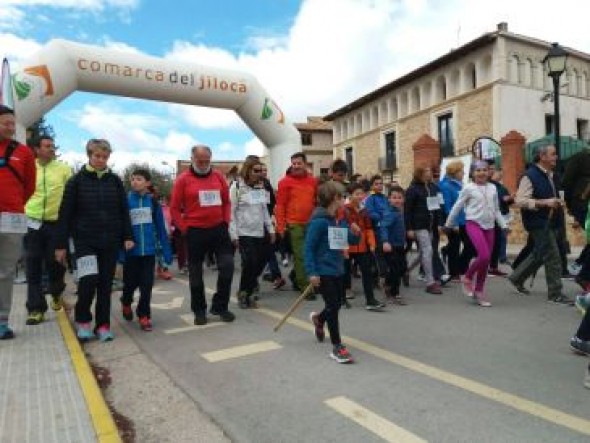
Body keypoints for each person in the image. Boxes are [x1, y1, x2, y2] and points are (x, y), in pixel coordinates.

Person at [55, 139, 134, 341]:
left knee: (106, 286)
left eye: (105, 157)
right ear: (89, 155)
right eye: (97, 156)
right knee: (88, 282)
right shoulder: (76, 181)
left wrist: (127, 236)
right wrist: (61, 245)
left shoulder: (115, 181)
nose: (101, 160)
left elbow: (124, 211)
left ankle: (103, 325)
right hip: (84, 242)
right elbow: (65, 214)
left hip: (109, 242)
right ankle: (83, 322)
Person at [170, 145, 235, 325]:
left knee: (227, 266)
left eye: (207, 160)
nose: (204, 164)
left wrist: (226, 221)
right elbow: (174, 208)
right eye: (200, 160)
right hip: (195, 231)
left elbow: (227, 202)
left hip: (218, 229)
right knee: (196, 273)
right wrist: (184, 228)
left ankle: (220, 306)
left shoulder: (218, 176)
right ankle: (199, 310)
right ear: (192, 159)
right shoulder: (183, 180)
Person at [508, 144, 572, 304]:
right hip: (538, 222)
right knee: (553, 257)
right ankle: (555, 294)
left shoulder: (551, 174)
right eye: (553, 154)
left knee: (540, 254)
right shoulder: (529, 176)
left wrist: (557, 202)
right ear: (542, 157)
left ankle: (516, 278)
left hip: (552, 220)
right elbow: (520, 200)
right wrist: (545, 203)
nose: (556, 157)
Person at [306, 181, 360, 364]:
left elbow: (349, 240)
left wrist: (356, 233)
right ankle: (337, 346)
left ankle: (319, 319)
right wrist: (312, 272)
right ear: (334, 198)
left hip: (338, 269)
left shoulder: (338, 219)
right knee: (333, 306)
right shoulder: (319, 222)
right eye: (342, 197)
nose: (344, 200)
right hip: (323, 272)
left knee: (335, 304)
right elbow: (309, 249)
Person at [446, 160, 508, 307]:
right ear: (473, 173)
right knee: (484, 255)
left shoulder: (493, 188)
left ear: (488, 172)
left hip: (490, 226)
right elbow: (457, 206)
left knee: (486, 262)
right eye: (478, 170)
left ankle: (479, 291)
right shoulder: (468, 188)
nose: (481, 173)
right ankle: (467, 277)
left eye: (484, 170)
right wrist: (449, 224)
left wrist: (504, 225)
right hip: (473, 223)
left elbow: (496, 210)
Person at [23, 136, 71, 325]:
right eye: (47, 146)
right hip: (32, 222)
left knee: (56, 265)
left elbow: (70, 198)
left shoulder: (64, 169)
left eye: (53, 146)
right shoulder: (29, 167)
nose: (52, 149)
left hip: (56, 224)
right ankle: (35, 309)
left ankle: (57, 293)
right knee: (32, 266)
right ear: (36, 149)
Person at [119, 169, 172, 331]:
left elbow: (161, 228)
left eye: (139, 179)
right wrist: (120, 253)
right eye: (133, 179)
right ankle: (126, 301)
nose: (135, 182)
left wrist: (166, 250)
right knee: (130, 284)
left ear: (147, 183)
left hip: (149, 252)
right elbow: (120, 228)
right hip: (131, 253)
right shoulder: (126, 201)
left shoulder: (153, 203)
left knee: (147, 285)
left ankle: (144, 315)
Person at [0, 105, 36, 339]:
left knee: (6, 271)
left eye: (13, 123)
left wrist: (12, 204)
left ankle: (2, 320)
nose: (12, 127)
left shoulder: (24, 152)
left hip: (12, 218)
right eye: (7, 123)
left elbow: (29, 187)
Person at [229, 158, 275, 308]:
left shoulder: (260, 187)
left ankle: (247, 290)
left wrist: (271, 229)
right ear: (247, 170)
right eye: (256, 170)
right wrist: (234, 235)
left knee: (259, 263)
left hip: (259, 232)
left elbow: (264, 210)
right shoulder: (236, 187)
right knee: (250, 263)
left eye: (260, 170)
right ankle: (244, 293)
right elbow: (231, 213)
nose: (259, 174)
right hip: (244, 233)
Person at [275, 152, 318, 295]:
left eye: (299, 163)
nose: (296, 166)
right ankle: (305, 287)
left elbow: (317, 202)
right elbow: (280, 205)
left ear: (305, 164)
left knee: (311, 254)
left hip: (311, 223)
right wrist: (280, 226)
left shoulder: (313, 181)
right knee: (301, 255)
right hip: (294, 224)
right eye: (294, 163)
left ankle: (297, 276)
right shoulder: (284, 182)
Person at [339, 183, 384, 310]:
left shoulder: (365, 210)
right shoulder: (344, 210)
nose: (360, 196)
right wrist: (343, 247)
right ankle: (342, 299)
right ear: (350, 195)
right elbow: (342, 228)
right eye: (356, 194)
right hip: (348, 246)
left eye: (361, 194)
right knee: (344, 273)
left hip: (363, 246)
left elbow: (369, 228)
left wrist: (371, 243)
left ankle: (370, 300)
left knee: (367, 273)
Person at [405, 166, 444, 294]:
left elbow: (438, 206)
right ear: (420, 173)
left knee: (424, 253)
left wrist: (439, 223)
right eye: (427, 171)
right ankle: (430, 282)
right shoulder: (412, 190)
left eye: (429, 171)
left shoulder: (433, 188)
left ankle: (405, 271)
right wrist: (409, 228)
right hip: (419, 225)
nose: (429, 173)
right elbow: (407, 210)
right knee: (428, 250)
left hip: (431, 225)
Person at [438, 160, 474, 281]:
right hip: (454, 223)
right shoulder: (445, 186)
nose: (464, 173)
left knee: (470, 246)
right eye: (461, 171)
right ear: (455, 172)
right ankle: (454, 273)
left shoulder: (459, 184)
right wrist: (453, 224)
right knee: (455, 246)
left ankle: (460, 268)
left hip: (465, 220)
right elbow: (448, 207)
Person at [562, 149, 590, 285]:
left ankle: (581, 267)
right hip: (581, 201)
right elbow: (567, 182)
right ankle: (583, 275)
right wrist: (570, 206)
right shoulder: (579, 158)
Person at [380, 186, 408, 305]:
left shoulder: (400, 212)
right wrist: (385, 241)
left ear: (403, 199)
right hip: (391, 246)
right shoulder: (389, 213)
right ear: (389, 199)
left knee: (402, 268)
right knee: (395, 269)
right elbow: (384, 227)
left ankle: (387, 283)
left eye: (399, 197)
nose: (397, 200)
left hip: (400, 245)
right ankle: (394, 293)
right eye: (394, 197)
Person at [486, 162, 513, 276]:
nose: (492, 171)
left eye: (493, 169)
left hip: (498, 216)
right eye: (490, 169)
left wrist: (510, 199)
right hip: (484, 219)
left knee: (498, 241)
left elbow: (498, 204)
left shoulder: (497, 186)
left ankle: (493, 266)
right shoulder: (481, 185)